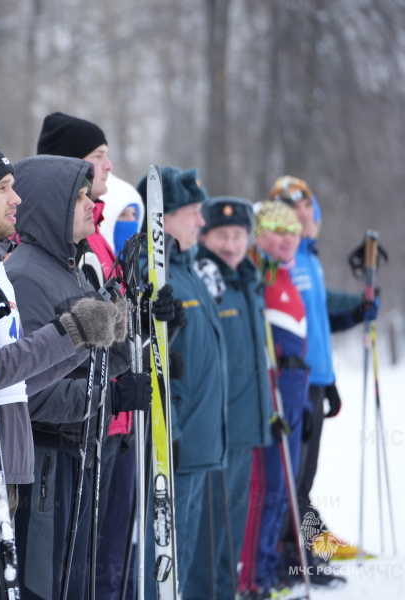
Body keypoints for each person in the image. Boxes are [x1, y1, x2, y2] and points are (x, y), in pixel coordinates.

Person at [6, 154, 151, 600]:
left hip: (77, 451)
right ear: (52, 207)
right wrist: (109, 399)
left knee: (75, 581)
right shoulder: (27, 275)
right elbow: (30, 393)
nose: (93, 205)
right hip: (47, 459)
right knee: (46, 583)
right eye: (81, 197)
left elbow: (100, 357)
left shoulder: (68, 269)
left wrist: (136, 327)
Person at [36, 113, 138, 599]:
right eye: (98, 158)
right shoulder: (45, 258)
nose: (109, 167)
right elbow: (45, 371)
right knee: (71, 571)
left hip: (102, 428)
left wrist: (145, 322)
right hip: (67, 438)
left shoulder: (89, 246)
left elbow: (104, 341)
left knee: (103, 559)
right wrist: (110, 394)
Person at [270, 176, 374, 573]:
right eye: (293, 210)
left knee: (305, 474)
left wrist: (359, 309)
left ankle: (311, 544)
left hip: (316, 379)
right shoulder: (285, 259)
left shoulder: (309, 258)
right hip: (294, 382)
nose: (303, 217)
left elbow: (322, 312)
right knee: (292, 473)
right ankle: (294, 549)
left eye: (307, 208)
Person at [137, 166, 228, 599]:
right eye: (192, 212)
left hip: (200, 442)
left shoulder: (190, 270)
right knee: (165, 559)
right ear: (163, 218)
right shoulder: (151, 270)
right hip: (177, 440)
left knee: (186, 555)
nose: (200, 221)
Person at [187, 197, 274, 600]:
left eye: (238, 235)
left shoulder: (249, 280)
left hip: (245, 428)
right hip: (216, 431)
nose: (231, 244)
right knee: (209, 535)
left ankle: (227, 593)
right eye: (222, 235)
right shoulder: (206, 280)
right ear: (204, 235)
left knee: (231, 533)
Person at [238, 200, 310, 598]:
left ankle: (267, 570)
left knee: (285, 486)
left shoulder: (288, 274)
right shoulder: (261, 272)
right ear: (261, 233)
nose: (288, 239)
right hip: (272, 392)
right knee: (266, 487)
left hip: (295, 391)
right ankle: (252, 577)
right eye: (279, 231)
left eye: (294, 232)